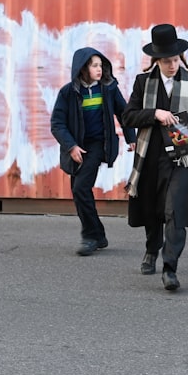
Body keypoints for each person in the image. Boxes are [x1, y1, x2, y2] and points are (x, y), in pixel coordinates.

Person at [122, 24, 188, 291]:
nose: (172, 65)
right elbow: (128, 116)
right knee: (152, 209)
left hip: (182, 157)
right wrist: (154, 113)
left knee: (174, 210)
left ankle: (170, 268)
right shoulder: (143, 83)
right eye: (167, 61)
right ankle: (151, 249)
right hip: (151, 155)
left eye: (176, 60)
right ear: (157, 60)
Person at [51, 47, 136, 256]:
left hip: (99, 144)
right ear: (82, 68)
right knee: (79, 192)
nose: (99, 69)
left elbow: (124, 113)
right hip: (78, 145)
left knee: (80, 188)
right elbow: (57, 123)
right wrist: (71, 146)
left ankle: (90, 237)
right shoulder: (68, 92)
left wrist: (132, 137)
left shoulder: (108, 88)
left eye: (101, 65)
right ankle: (98, 235)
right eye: (94, 65)